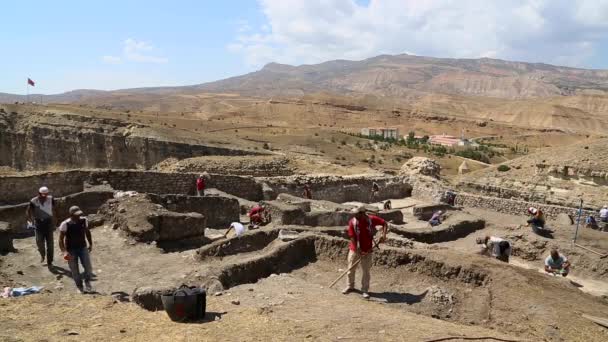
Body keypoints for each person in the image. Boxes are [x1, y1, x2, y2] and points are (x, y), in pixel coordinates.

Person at [342, 206, 387, 299]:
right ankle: (350, 286)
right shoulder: (352, 222)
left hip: (368, 249)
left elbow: (384, 223)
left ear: (362, 213)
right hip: (355, 249)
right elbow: (352, 238)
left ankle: (365, 290)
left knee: (366, 271)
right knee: (350, 269)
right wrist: (359, 250)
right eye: (354, 214)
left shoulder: (371, 220)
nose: (355, 216)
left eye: (357, 214)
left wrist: (383, 235)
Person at [59, 206, 94, 293]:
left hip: (82, 247)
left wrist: (90, 243)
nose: (78, 216)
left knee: (88, 268)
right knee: (74, 270)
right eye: (76, 215)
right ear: (71, 214)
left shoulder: (83, 220)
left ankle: (87, 282)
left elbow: (87, 232)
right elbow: (60, 239)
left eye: (79, 214)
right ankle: (79, 286)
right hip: (71, 250)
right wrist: (64, 252)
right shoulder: (65, 224)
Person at [26, 186, 57, 267]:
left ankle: (49, 261)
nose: (45, 197)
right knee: (39, 242)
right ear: (39, 194)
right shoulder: (33, 201)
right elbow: (28, 211)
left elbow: (54, 209)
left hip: (49, 223)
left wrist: (55, 220)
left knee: (50, 244)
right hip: (38, 224)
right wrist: (30, 220)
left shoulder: (51, 199)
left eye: (46, 195)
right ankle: (42, 255)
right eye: (43, 195)